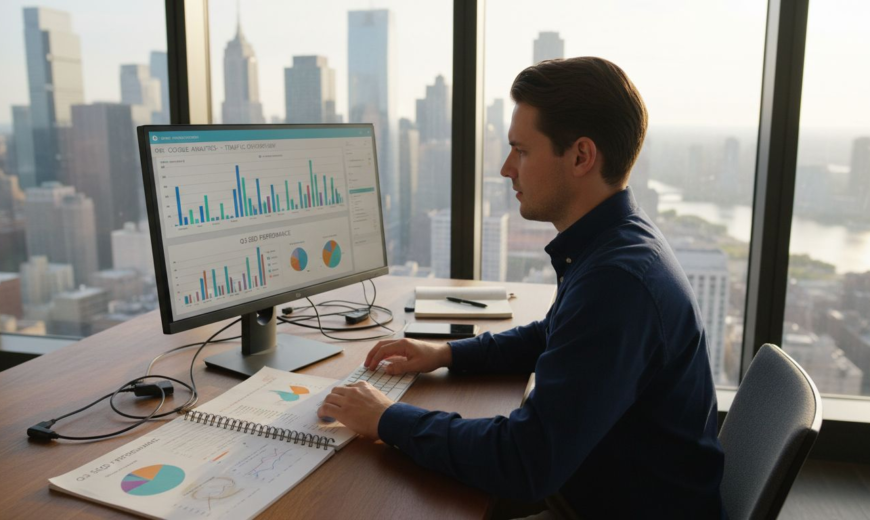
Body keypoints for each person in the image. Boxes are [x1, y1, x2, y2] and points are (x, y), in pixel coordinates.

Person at [318, 57, 725, 519]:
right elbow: (553, 334)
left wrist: (387, 418)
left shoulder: (619, 282)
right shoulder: (617, 241)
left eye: (521, 150)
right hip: (606, 487)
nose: (506, 168)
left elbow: (523, 461)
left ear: (580, 156)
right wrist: (446, 353)